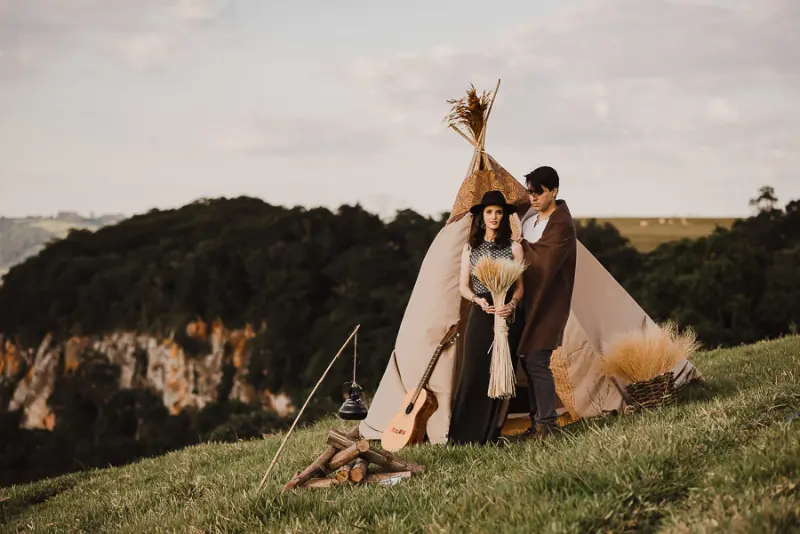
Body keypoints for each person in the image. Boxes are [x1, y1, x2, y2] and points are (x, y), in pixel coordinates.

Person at [449, 190, 526, 445]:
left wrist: (512, 305)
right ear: (482, 216)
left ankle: (488, 434)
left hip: (505, 314)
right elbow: (463, 286)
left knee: (500, 373)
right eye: (490, 212)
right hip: (481, 313)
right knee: (473, 372)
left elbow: (520, 288)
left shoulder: (514, 247)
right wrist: (477, 300)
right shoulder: (470, 248)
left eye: (499, 212)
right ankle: (461, 436)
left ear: (504, 217)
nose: (494, 216)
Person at [516, 166, 577, 439]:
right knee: (529, 362)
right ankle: (537, 422)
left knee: (537, 360)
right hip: (528, 302)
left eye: (538, 192)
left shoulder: (562, 223)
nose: (533, 198)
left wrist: (519, 245)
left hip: (549, 303)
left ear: (554, 191)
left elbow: (544, 260)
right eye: (530, 192)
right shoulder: (529, 220)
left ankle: (548, 425)